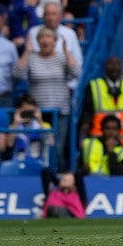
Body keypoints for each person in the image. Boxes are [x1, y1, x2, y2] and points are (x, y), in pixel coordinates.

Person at [13, 27, 81, 171]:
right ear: (38, 41)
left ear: (54, 41)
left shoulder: (62, 57)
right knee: (35, 145)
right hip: (37, 111)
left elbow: (76, 73)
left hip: (60, 110)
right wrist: (27, 51)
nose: (45, 41)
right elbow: (17, 74)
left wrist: (67, 52)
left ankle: (56, 176)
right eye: (42, 38)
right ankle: (35, 175)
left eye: (48, 38)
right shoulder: (32, 57)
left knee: (57, 147)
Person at [79, 55, 123, 150]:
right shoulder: (94, 87)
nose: (114, 67)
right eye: (111, 64)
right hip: (99, 145)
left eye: (117, 64)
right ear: (105, 67)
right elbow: (86, 116)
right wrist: (82, 139)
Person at [0, 94, 52, 163]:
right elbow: (9, 144)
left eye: (30, 112)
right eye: (25, 111)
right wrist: (16, 122)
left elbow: (50, 142)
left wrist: (40, 121)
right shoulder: (13, 126)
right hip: (18, 163)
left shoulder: (44, 125)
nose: (28, 115)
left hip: (37, 163)